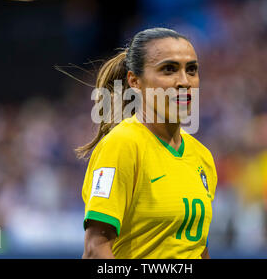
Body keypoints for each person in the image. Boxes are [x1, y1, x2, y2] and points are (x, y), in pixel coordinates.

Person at [80, 27, 217, 259]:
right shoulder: (123, 144)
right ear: (135, 81)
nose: (184, 81)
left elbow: (197, 249)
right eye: (169, 69)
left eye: (191, 70)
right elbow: (96, 250)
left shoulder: (201, 156)